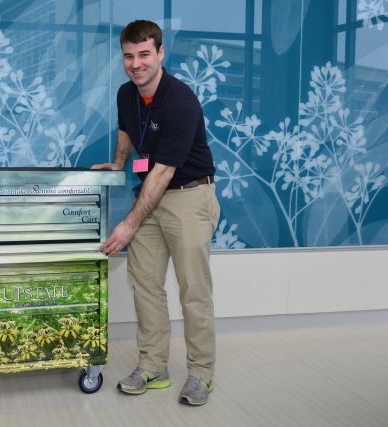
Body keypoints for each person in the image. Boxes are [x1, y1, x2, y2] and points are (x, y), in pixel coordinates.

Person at [92, 20, 220, 406]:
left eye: (144, 54)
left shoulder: (180, 101)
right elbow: (127, 131)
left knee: (193, 291)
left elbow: (163, 172)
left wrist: (129, 225)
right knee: (145, 283)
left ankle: (200, 373)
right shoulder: (125, 94)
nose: (136, 63)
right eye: (129, 56)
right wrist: (118, 163)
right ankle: (153, 365)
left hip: (189, 196)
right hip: (151, 194)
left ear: (161, 53)